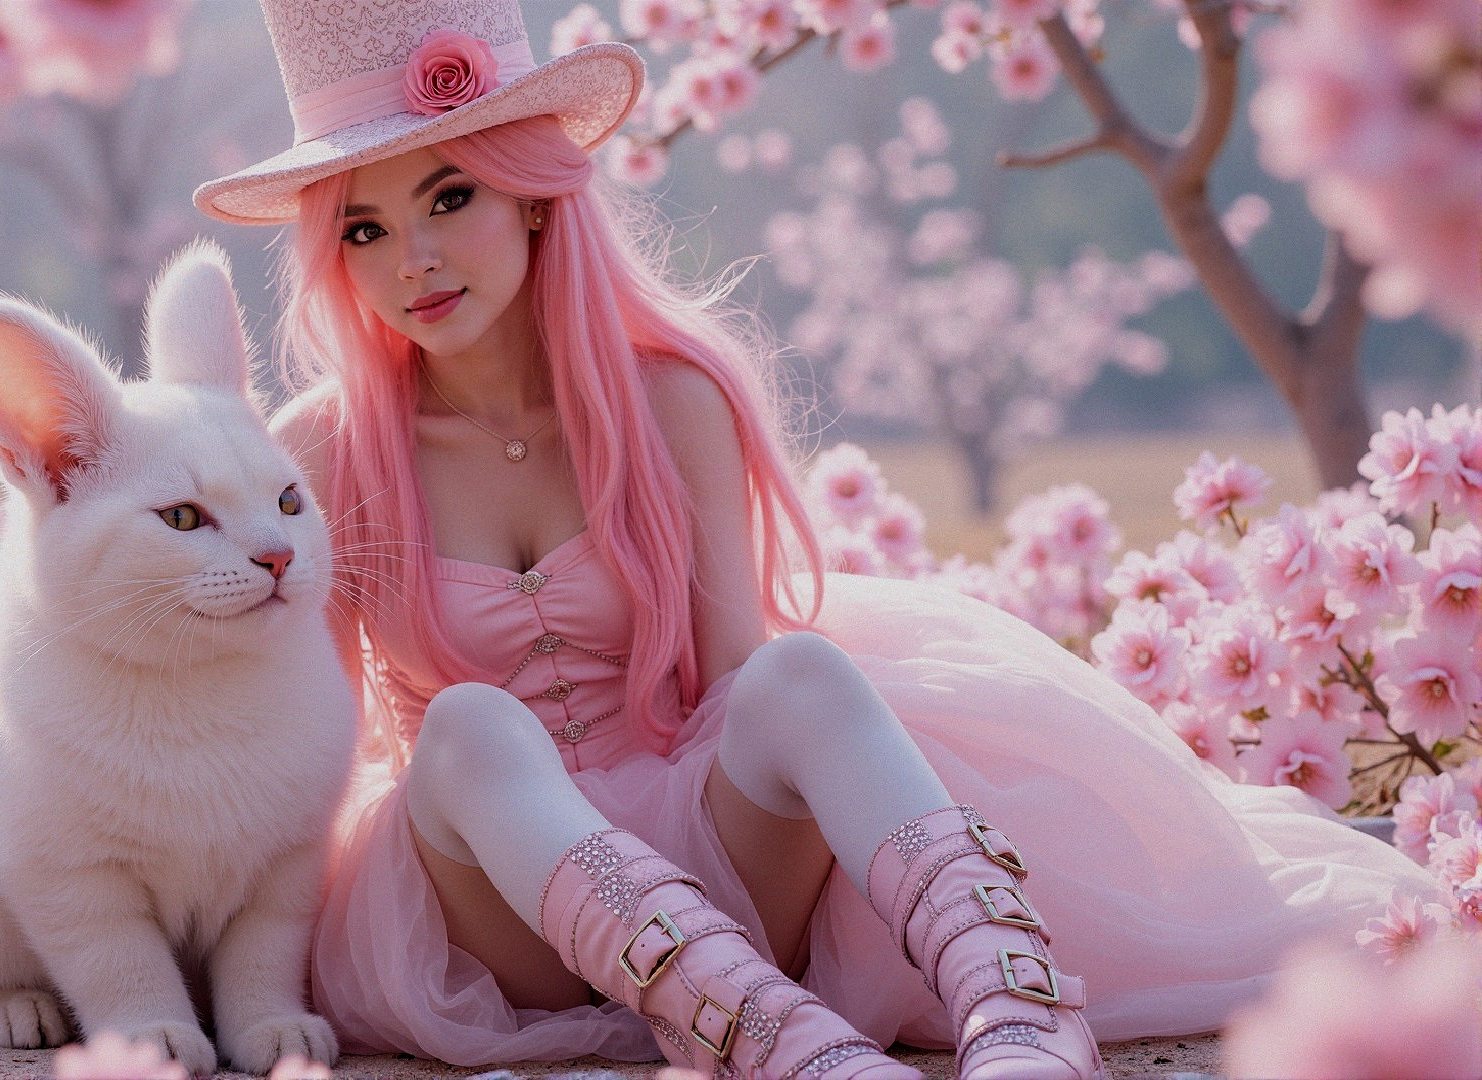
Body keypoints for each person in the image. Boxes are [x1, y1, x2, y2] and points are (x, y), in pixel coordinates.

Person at [193, 2, 1439, 1077]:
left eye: (449, 196)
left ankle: (1016, 1003)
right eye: (363, 228)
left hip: (713, 856)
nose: (410, 260)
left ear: (529, 193)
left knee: (801, 671)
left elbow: (733, 684)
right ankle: (771, 1043)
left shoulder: (670, 397)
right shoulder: (322, 453)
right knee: (468, 727)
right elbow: (305, 750)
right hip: (490, 902)